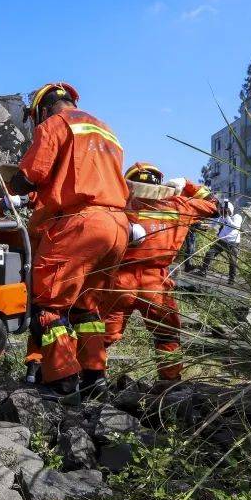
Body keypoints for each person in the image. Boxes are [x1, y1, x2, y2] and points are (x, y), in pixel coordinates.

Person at [8, 82, 129, 401]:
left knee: (49, 306)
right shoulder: (106, 131)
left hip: (80, 224)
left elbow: (30, 176)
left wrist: (13, 184)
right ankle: (94, 379)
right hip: (117, 225)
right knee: (87, 309)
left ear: (43, 110)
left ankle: (61, 381)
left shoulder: (55, 124)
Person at [99, 163, 218, 380]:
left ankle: (91, 381)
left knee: (102, 335)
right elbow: (215, 206)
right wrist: (187, 184)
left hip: (118, 281)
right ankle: (169, 386)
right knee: (167, 336)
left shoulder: (117, 205)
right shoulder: (179, 205)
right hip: (156, 283)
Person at [197, 199, 242, 283]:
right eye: (222, 210)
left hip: (232, 243)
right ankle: (203, 271)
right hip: (222, 240)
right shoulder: (222, 217)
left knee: (232, 261)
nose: (223, 212)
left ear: (230, 210)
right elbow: (212, 225)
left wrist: (227, 216)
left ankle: (231, 279)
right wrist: (199, 225)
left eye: (225, 210)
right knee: (210, 253)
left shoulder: (237, 217)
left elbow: (234, 226)